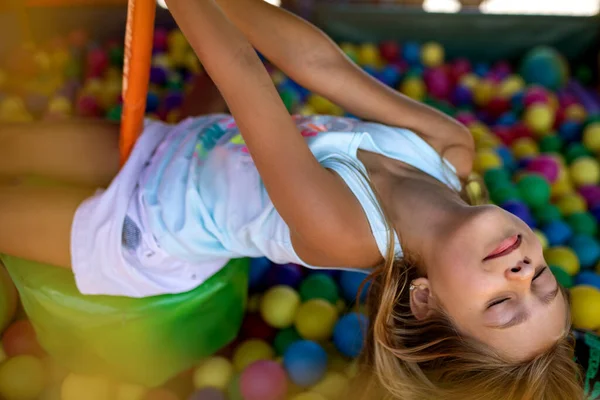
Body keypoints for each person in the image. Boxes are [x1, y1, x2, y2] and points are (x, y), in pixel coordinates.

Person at [0, 0, 584, 398]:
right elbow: (319, 63)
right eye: (542, 285)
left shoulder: (345, 231)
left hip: (143, 228)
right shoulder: (449, 148)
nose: (522, 272)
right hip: (175, 144)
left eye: (502, 305)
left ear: (426, 302)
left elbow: (245, 80)